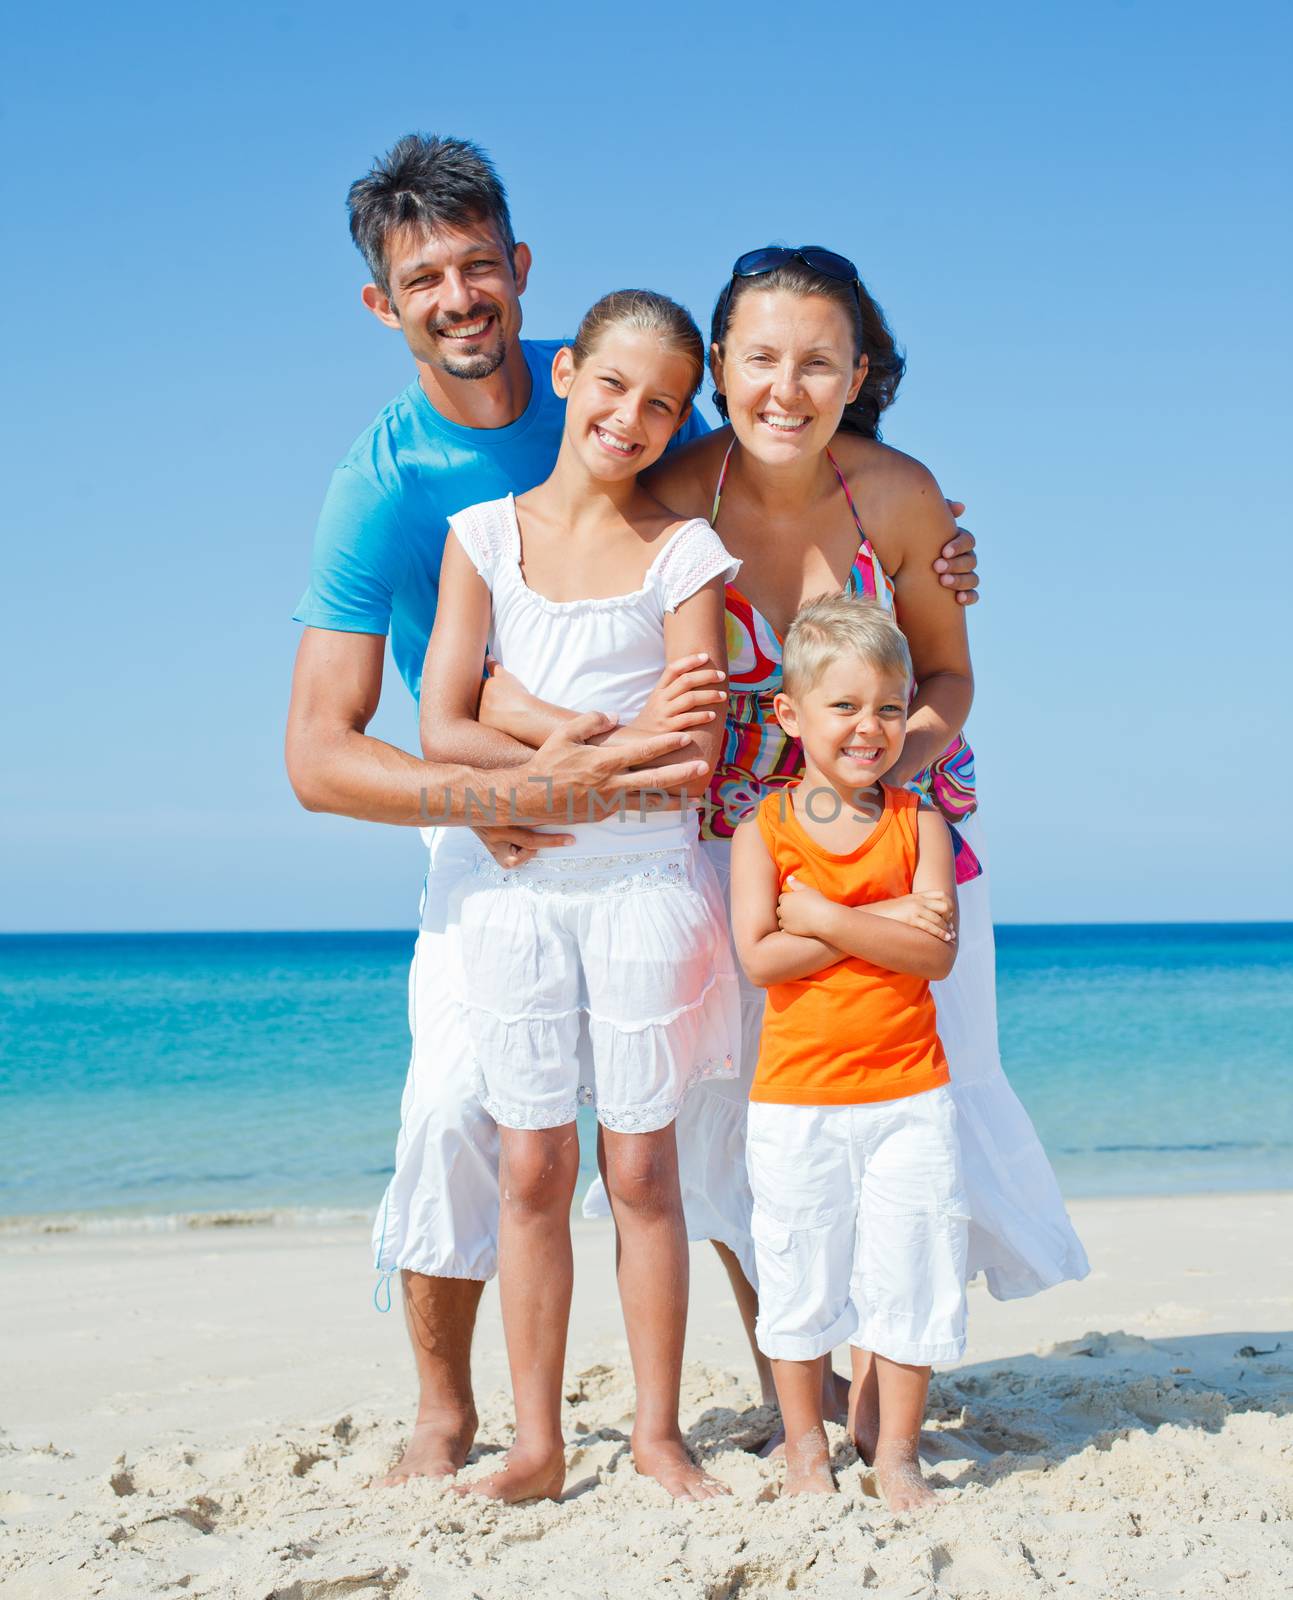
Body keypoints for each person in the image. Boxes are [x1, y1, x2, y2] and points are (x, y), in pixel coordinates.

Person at [286, 132, 981, 1489]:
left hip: (651, 820)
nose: (458, 299)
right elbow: (321, 751)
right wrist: (508, 783)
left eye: (480, 267)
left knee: (699, 1114)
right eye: (424, 280)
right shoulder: (384, 485)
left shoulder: (624, 399)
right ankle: (451, 1412)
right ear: (384, 304)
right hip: (487, 803)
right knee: (455, 1117)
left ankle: (794, 1386)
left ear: (523, 277)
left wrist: (936, 544)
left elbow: (792, 458)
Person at [591, 246, 1087, 1428]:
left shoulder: (903, 498)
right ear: (718, 364)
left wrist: (863, 792)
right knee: (743, 1123)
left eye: (819, 361)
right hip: (721, 854)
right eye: (759, 357)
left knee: (922, 1105)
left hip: (901, 844)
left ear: (857, 371)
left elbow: (952, 675)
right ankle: (791, 1373)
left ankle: (880, 1373)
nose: (786, 387)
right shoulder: (666, 492)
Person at [420, 289, 741, 1503]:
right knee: (530, 1168)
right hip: (516, 895)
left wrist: (531, 725)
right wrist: (561, 737)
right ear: (567, 377)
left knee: (644, 1172)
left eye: (664, 403)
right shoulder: (482, 537)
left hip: (645, 889)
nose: (634, 417)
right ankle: (538, 1443)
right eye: (613, 386)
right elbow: (442, 721)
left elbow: (690, 758)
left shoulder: (686, 555)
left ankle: (658, 1434)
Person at [730, 595, 967, 1509]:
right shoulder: (765, 831)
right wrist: (882, 922)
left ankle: (897, 1452)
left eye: (887, 707)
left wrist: (828, 917)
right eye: (844, 706)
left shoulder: (921, 825)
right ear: (790, 715)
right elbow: (761, 957)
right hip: (796, 1102)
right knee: (798, 1271)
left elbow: (935, 953)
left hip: (911, 1095)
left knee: (912, 1266)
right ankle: (804, 1451)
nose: (868, 728)